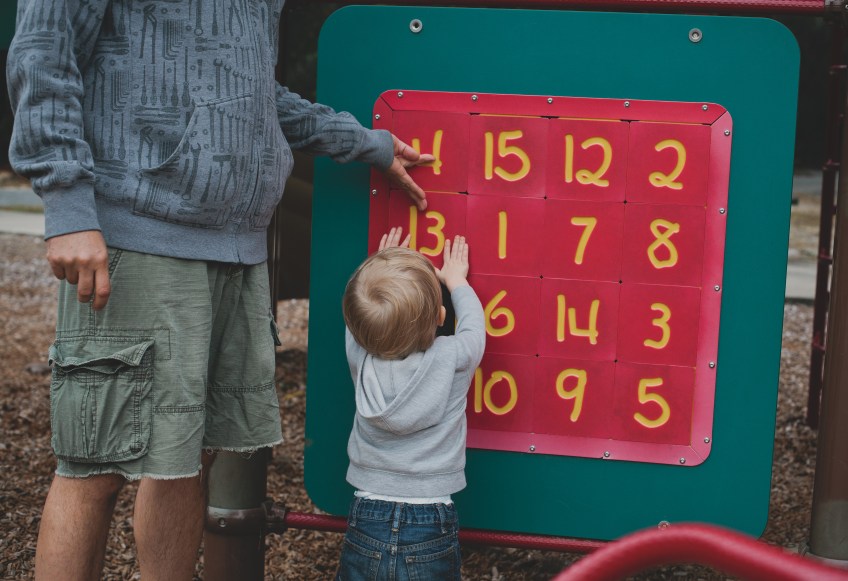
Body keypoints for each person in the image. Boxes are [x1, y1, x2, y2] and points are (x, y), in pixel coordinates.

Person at [6, 2, 433, 579]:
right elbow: (44, 50)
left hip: (235, 246)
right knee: (94, 464)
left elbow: (251, 93)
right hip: (137, 229)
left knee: (188, 460)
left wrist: (364, 142)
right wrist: (66, 202)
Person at [337, 227, 486, 580]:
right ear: (441, 317)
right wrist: (456, 281)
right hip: (431, 517)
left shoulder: (361, 358)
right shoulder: (453, 359)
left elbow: (357, 323)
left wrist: (377, 264)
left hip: (367, 513)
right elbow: (474, 331)